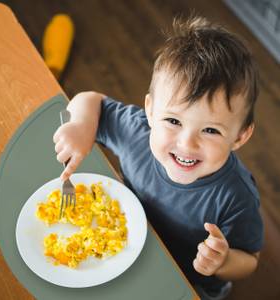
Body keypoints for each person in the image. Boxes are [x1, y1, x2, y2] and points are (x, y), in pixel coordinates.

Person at [53, 16, 264, 300]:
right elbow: (90, 100)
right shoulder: (137, 132)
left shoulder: (236, 195)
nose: (186, 143)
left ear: (239, 137)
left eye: (211, 130)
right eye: (173, 121)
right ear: (150, 111)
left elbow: (250, 259)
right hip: (123, 245)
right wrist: (80, 125)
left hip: (187, 280)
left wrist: (223, 262)